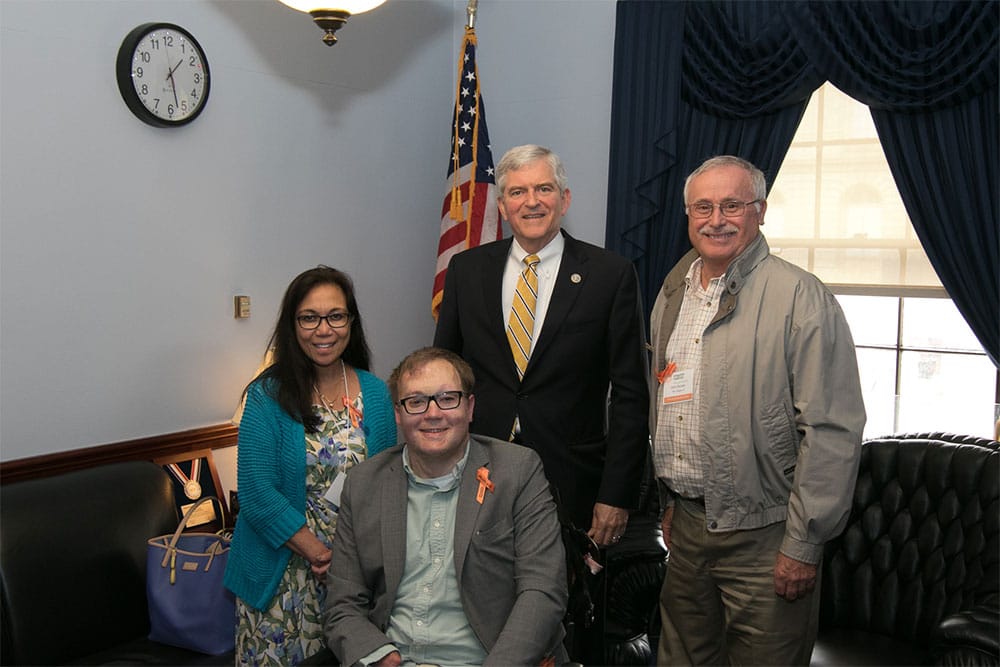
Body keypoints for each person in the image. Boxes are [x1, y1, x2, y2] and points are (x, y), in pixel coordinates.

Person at [651, 155, 866, 665]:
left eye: (732, 204)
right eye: (702, 206)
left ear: (760, 211)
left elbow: (831, 432)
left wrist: (803, 542)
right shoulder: (673, 291)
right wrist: (670, 499)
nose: (716, 219)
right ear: (687, 214)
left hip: (767, 537)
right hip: (687, 529)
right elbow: (666, 402)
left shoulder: (801, 297)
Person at [433, 144, 649, 548]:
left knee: (560, 600)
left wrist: (615, 494)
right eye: (517, 192)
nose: (531, 202)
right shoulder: (467, 270)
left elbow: (630, 395)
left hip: (571, 480)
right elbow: (446, 377)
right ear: (502, 206)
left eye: (544, 189)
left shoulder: (610, 275)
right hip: (479, 471)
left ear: (564, 199)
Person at [324, 347, 568, 667]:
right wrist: (382, 658)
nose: (433, 413)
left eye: (447, 398)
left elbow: (543, 590)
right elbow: (342, 604)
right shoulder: (364, 484)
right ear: (398, 413)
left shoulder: (517, 471)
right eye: (416, 401)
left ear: (469, 407)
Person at [224, 266, 397, 666]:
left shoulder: (373, 391)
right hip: (282, 577)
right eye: (309, 317)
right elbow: (256, 493)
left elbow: (387, 481)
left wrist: (350, 565)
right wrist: (322, 556)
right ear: (293, 324)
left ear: (350, 322)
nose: (324, 329)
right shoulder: (267, 395)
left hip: (353, 578)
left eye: (336, 316)